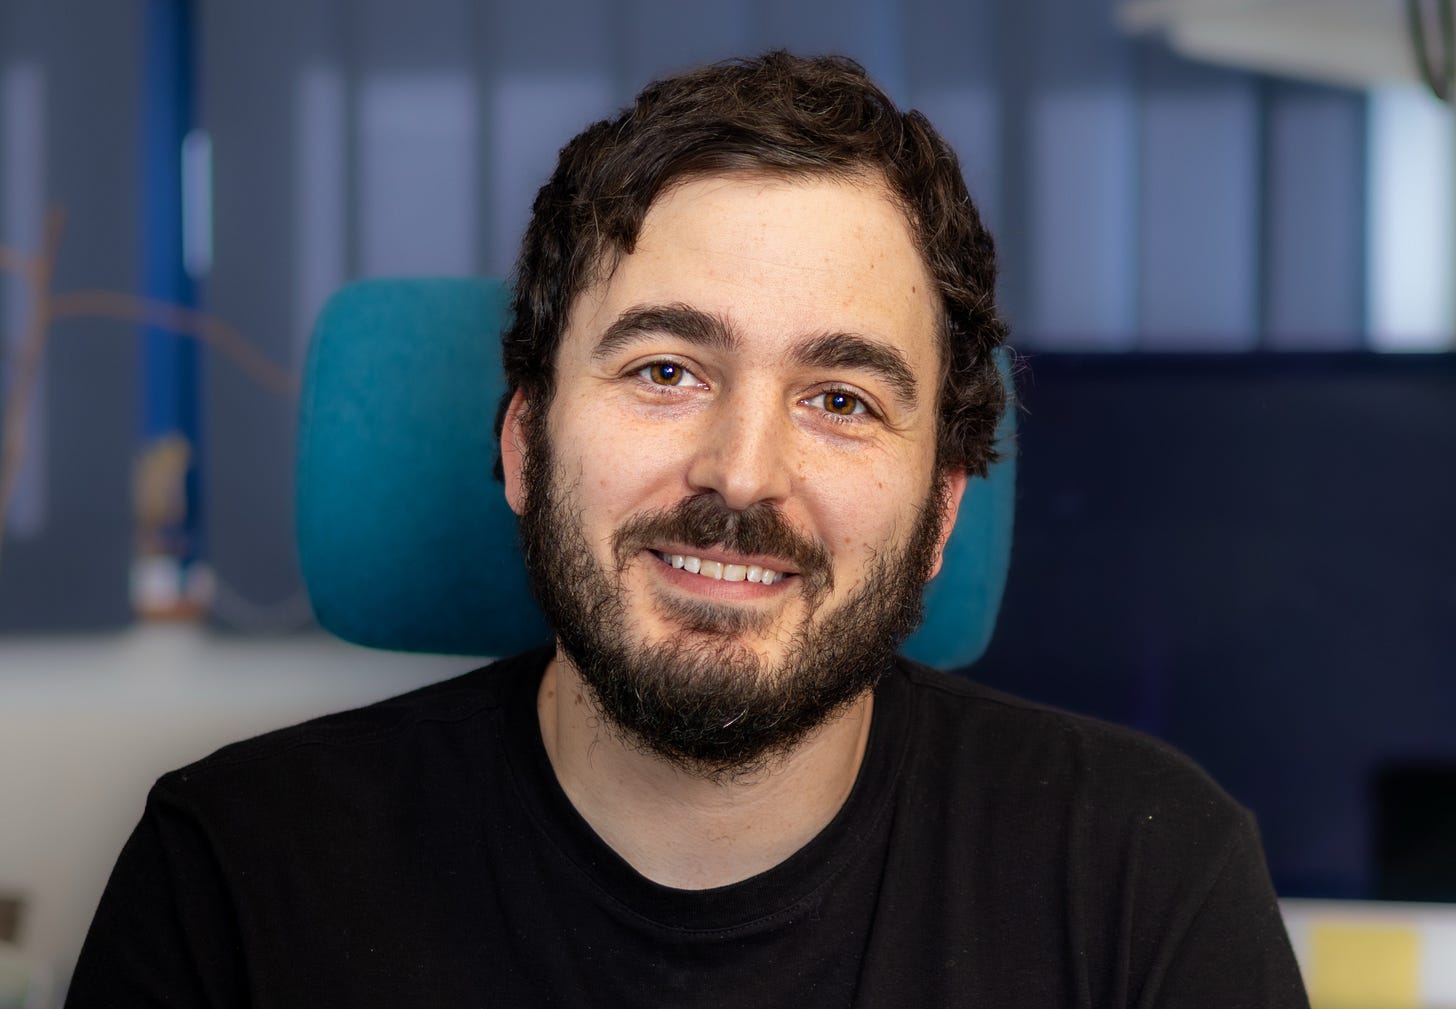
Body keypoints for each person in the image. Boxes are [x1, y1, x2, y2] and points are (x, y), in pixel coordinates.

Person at [67, 52, 1309, 1007]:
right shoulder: (234, 877)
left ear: (939, 516)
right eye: (666, 369)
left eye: (839, 399)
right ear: (521, 443)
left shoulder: (1147, 882)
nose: (742, 475)